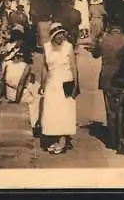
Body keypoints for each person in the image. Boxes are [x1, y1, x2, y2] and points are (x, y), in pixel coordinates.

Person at [89, 14, 124, 154]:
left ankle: (112, 141)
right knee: (123, 111)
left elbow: (95, 54)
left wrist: (97, 40)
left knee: (111, 111)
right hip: (123, 79)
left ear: (111, 26)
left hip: (107, 78)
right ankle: (122, 142)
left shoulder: (104, 40)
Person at [39, 22, 79, 155]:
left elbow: (74, 67)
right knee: (52, 113)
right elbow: (44, 68)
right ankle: (56, 139)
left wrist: (76, 85)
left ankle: (62, 142)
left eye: (62, 34)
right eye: (58, 35)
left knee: (64, 112)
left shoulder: (68, 47)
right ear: (53, 36)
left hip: (66, 83)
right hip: (51, 84)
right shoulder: (46, 48)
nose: (61, 37)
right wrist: (42, 85)